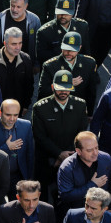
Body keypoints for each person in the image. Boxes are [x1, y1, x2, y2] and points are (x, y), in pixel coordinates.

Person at [32, 70, 89, 201]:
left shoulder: (80, 105)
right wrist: (58, 153)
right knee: (43, 197)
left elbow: (81, 133)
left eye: (67, 88)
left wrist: (66, 156)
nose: (63, 92)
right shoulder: (40, 108)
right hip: (47, 161)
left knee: (67, 197)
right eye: (59, 88)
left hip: (72, 158)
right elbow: (39, 136)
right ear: (53, 87)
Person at [37, 32, 99, 115]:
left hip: (77, 111)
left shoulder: (89, 63)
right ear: (61, 46)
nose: (69, 53)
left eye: (73, 50)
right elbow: (43, 92)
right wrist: (65, 84)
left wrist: (89, 113)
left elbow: (91, 92)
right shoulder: (50, 66)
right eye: (66, 49)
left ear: (79, 48)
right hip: (54, 110)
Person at [57, 131, 111, 217]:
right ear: (78, 151)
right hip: (76, 214)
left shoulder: (106, 159)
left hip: (101, 213)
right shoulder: (67, 167)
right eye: (89, 150)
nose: (95, 153)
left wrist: (110, 207)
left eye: (96, 148)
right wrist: (92, 185)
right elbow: (65, 196)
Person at [0, 99, 34, 199]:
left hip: (18, 176)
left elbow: (30, 154)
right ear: (0, 112)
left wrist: (29, 178)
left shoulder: (26, 126)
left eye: (16, 115)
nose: (12, 119)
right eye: (8, 115)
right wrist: (6, 148)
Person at [0, 0, 41, 67]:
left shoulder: (34, 21)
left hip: (24, 65)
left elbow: (38, 45)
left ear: (26, 6)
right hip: (1, 63)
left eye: (18, 7)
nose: (14, 10)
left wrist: (36, 64)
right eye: (12, 6)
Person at [0, 29, 34, 113]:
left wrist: (26, 106)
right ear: (5, 43)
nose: (18, 47)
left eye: (20, 43)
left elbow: (29, 86)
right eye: (14, 44)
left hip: (17, 110)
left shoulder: (26, 60)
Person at [36, 0, 90, 67]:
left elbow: (86, 51)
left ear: (73, 12)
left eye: (67, 13)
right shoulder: (44, 32)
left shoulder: (82, 27)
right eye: (60, 12)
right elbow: (41, 57)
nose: (63, 16)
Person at [91, 84, 111, 206]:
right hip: (109, 154)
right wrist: (92, 148)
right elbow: (96, 121)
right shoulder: (109, 95)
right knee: (106, 191)